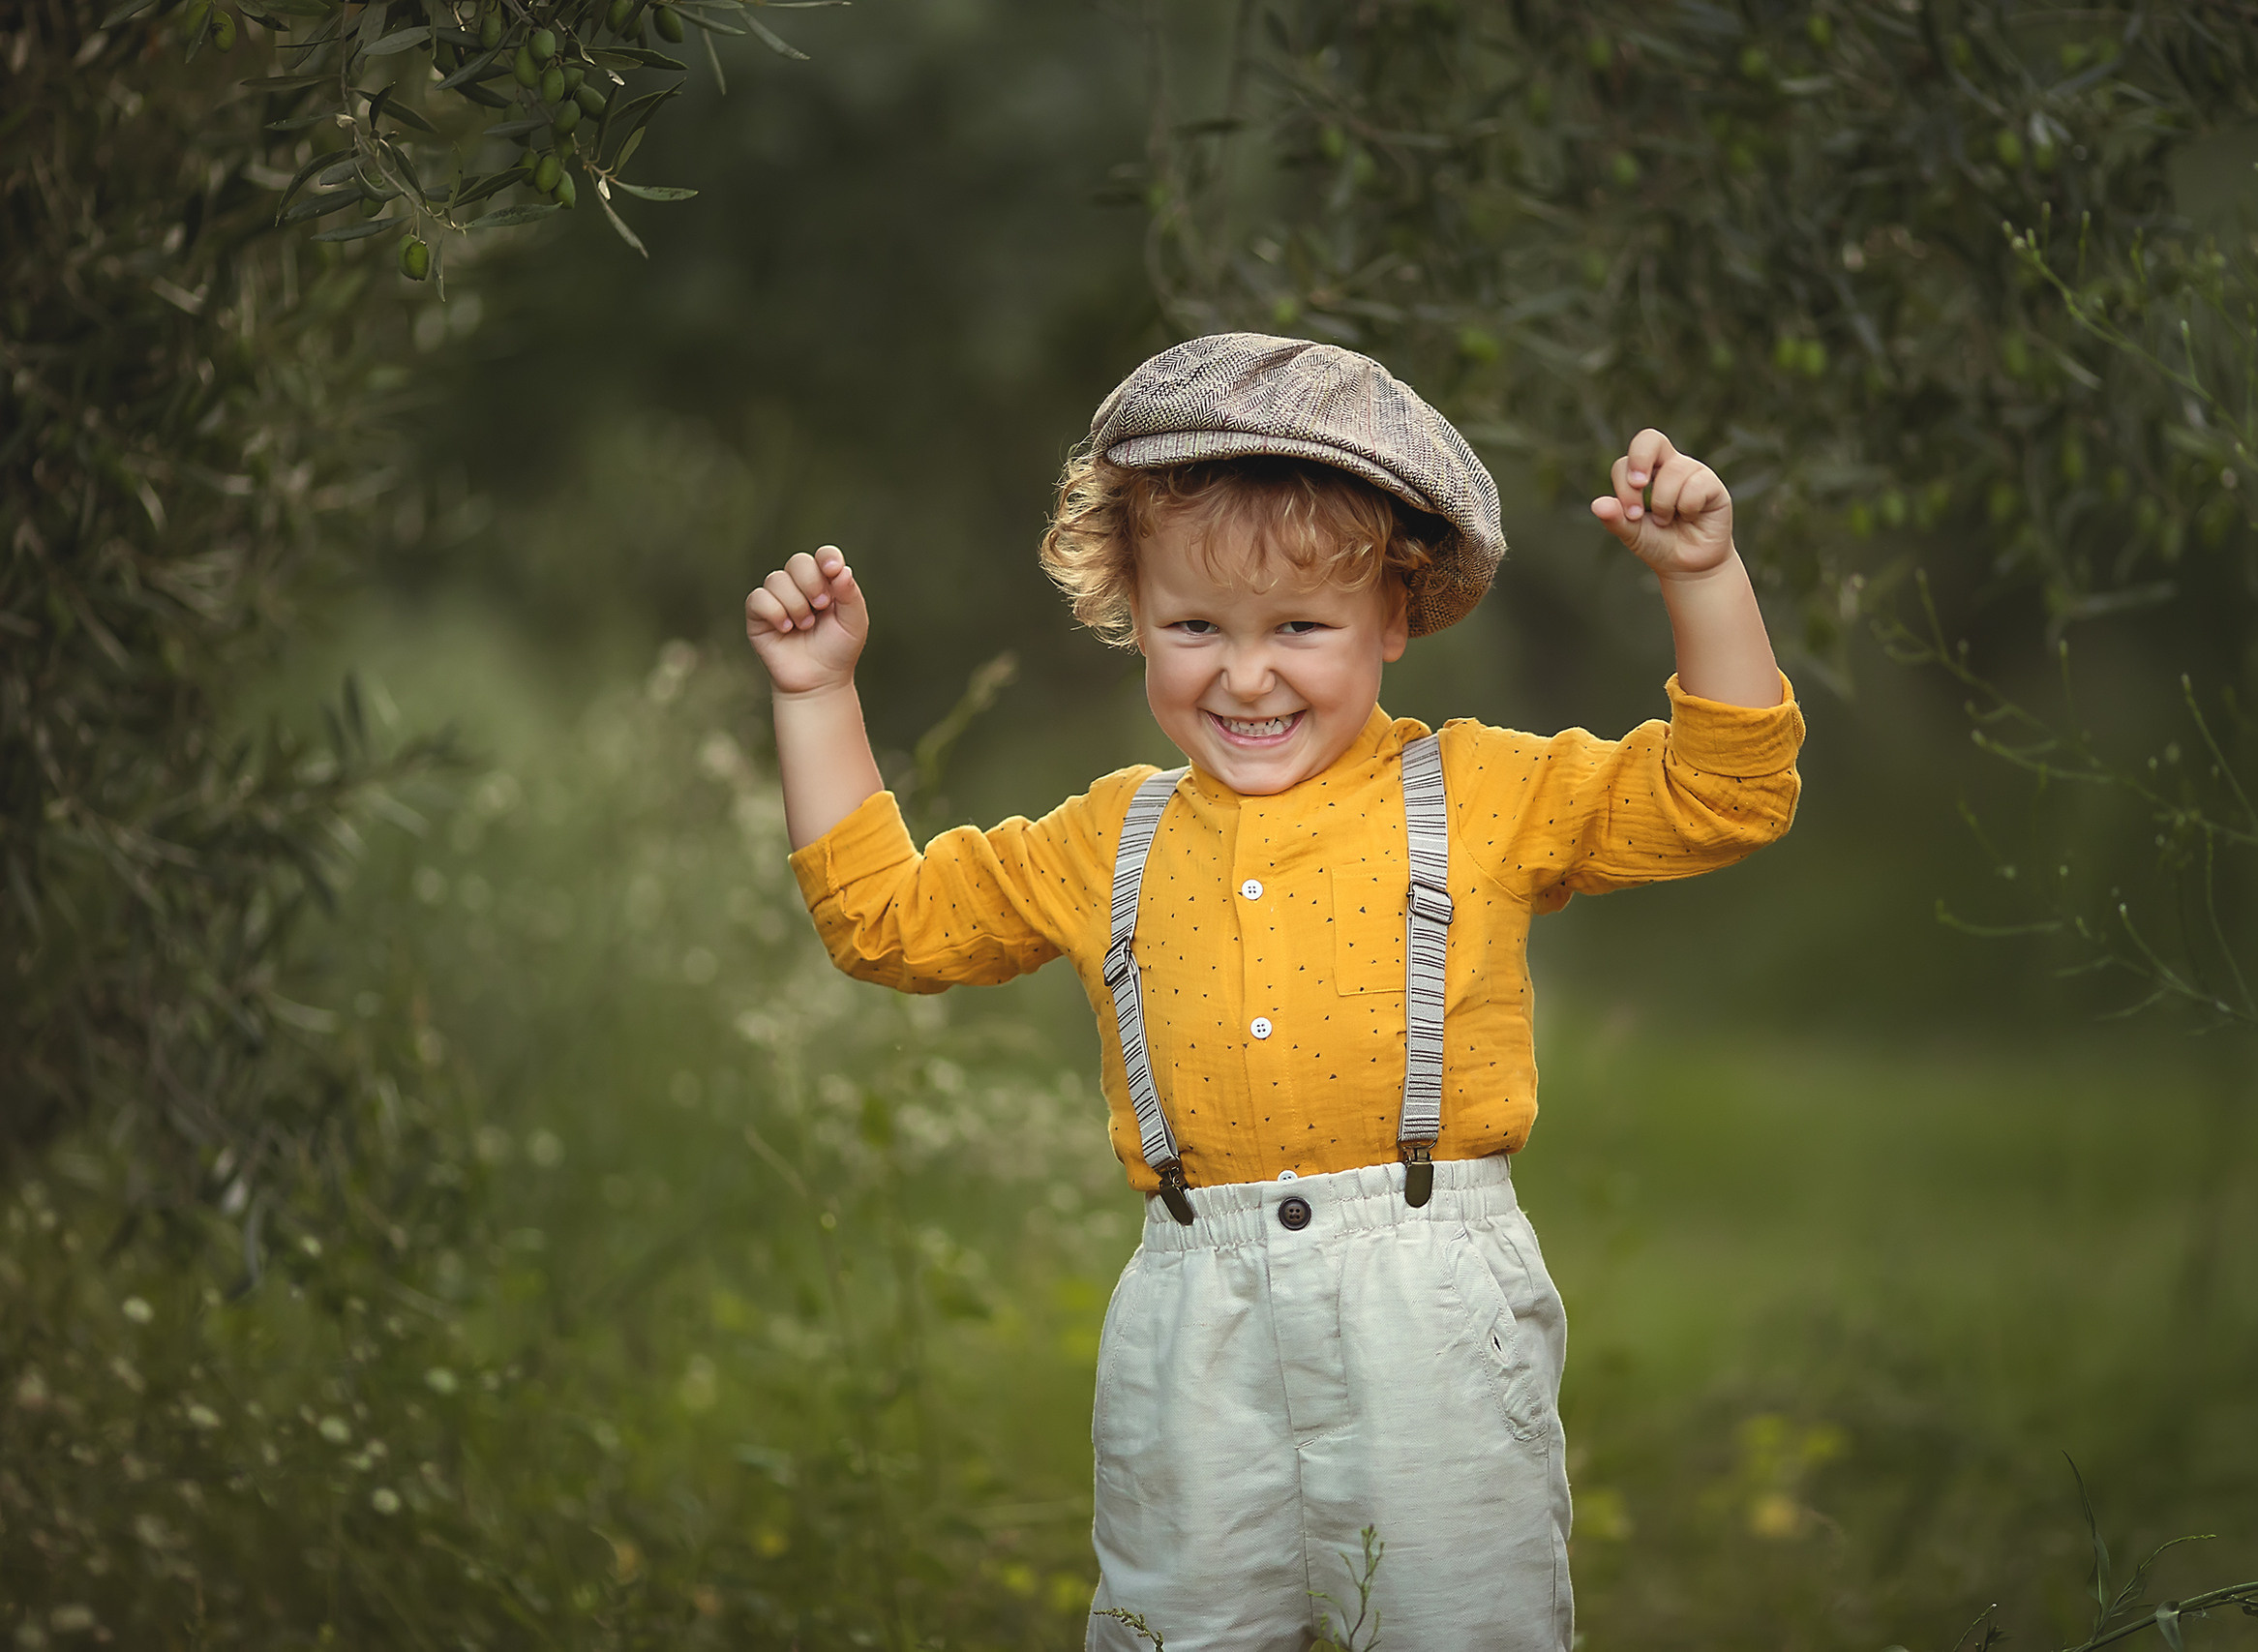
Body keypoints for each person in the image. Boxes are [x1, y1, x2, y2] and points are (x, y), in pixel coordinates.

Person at [744, 334, 1803, 1650]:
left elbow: (1728, 794)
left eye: (1300, 628)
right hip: (1193, 1316)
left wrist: (1701, 576)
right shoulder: (1106, 839)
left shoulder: (1479, 793)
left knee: (1459, 1627)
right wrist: (815, 694)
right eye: (1195, 628)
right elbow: (886, 923)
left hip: (1428, 1298)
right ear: (1134, 615)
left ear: (1395, 616)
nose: (1246, 676)